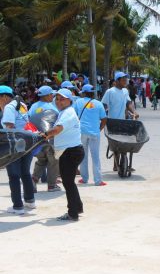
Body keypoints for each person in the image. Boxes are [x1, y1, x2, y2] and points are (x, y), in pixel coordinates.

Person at [40, 89, 84, 221]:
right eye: (57, 99)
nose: (59, 101)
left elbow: (57, 129)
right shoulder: (64, 112)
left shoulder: (68, 113)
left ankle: (72, 213)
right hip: (71, 151)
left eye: (62, 99)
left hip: (70, 152)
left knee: (68, 183)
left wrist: (45, 135)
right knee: (69, 182)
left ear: (70, 100)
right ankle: (78, 207)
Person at [0, 85, 36, 215]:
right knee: (25, 172)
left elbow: (9, 127)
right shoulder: (21, 104)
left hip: (15, 144)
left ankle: (18, 206)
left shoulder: (9, 108)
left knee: (13, 175)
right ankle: (30, 201)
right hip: (26, 142)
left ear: (4, 97)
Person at [101, 71, 139, 172]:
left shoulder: (125, 91)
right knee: (115, 145)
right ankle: (116, 165)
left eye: (126, 79)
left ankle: (123, 165)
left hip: (122, 121)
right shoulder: (110, 92)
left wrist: (134, 112)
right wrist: (101, 117)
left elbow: (128, 103)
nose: (125, 81)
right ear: (117, 81)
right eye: (123, 80)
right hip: (112, 122)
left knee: (124, 144)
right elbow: (104, 105)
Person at [29, 86, 61, 192]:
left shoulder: (33, 106)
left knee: (42, 160)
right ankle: (52, 185)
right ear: (47, 96)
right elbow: (59, 121)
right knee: (54, 161)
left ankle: (33, 181)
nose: (53, 96)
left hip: (35, 140)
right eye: (52, 94)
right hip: (48, 139)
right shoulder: (51, 107)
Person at [74, 84, 107, 186]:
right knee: (95, 156)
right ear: (93, 93)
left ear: (83, 92)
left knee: (83, 156)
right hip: (94, 133)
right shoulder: (98, 104)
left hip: (81, 133)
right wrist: (98, 129)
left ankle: (84, 179)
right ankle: (98, 180)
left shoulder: (78, 102)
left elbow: (74, 117)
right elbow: (104, 119)